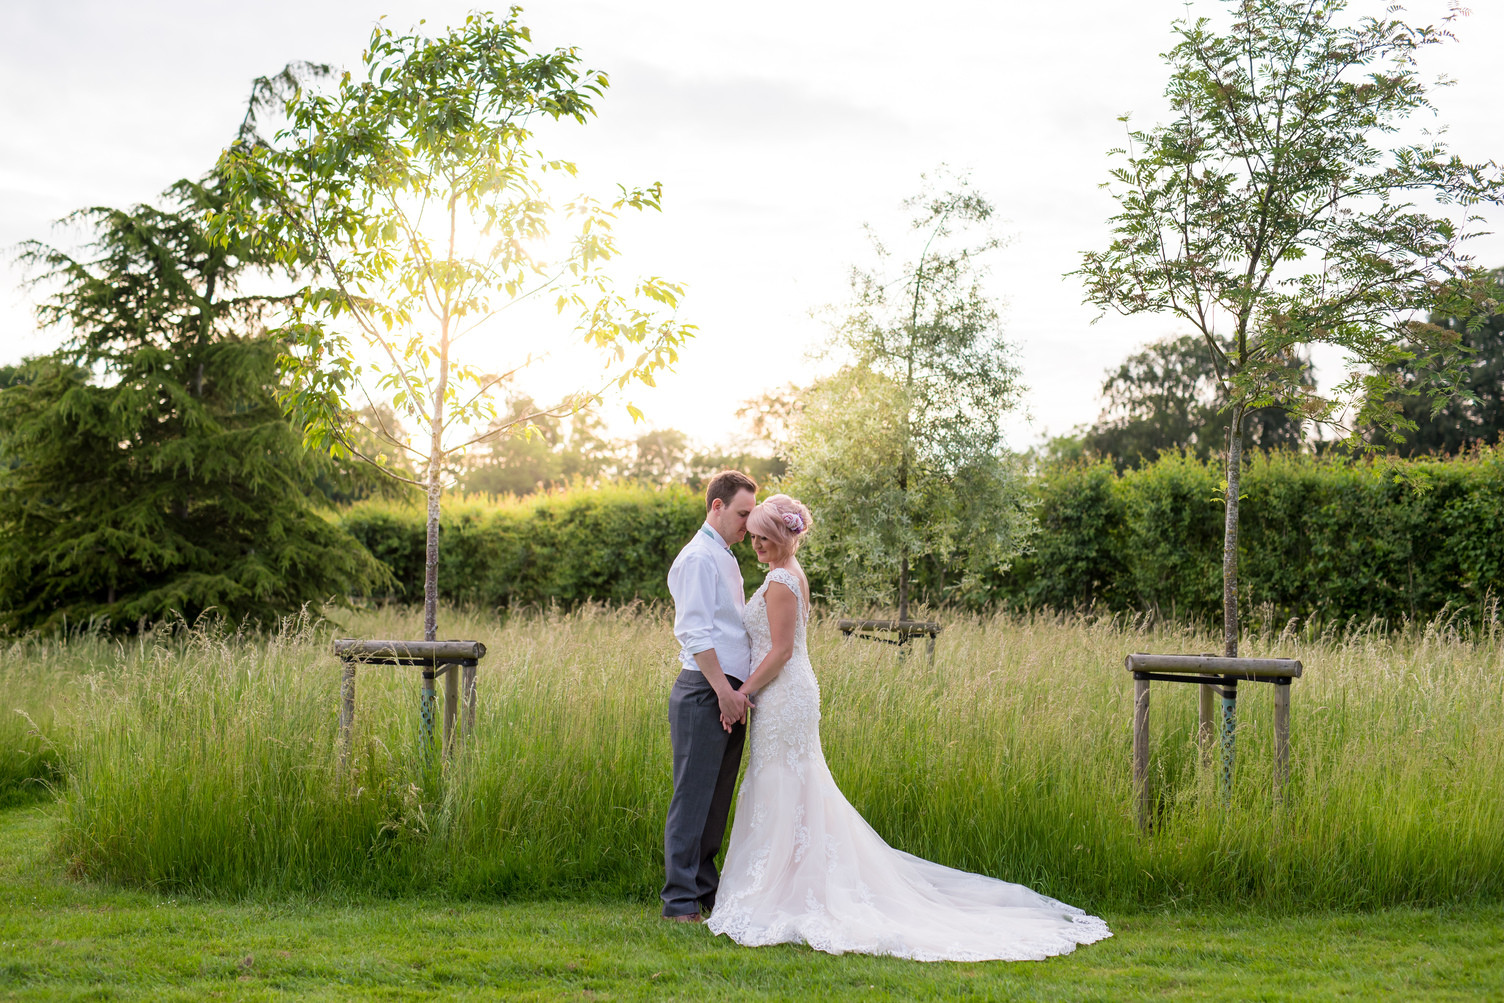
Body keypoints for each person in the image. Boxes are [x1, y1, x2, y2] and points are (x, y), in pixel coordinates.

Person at [705, 493, 1112, 961]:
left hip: (781, 692)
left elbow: (780, 652)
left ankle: (784, 890)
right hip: (786, 693)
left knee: (786, 783)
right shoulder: (791, 573)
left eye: (763, 536)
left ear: (782, 537)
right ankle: (791, 884)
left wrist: (742, 693)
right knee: (792, 786)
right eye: (752, 536)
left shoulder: (780, 580)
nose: (755, 543)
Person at [661, 470, 759, 922]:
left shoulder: (724, 556)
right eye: (742, 513)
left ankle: (704, 888)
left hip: (729, 693)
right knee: (693, 797)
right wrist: (723, 691)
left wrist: (738, 693)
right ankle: (678, 901)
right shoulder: (698, 558)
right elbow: (694, 632)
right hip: (706, 691)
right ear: (716, 507)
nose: (749, 524)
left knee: (716, 799)